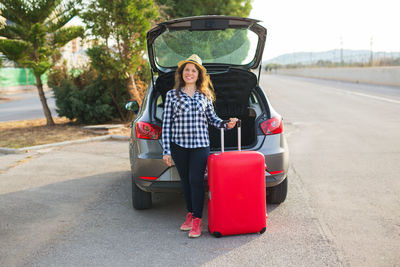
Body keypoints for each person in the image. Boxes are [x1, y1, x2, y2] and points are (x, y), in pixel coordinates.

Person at [162, 54, 238, 238]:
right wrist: (166, 150)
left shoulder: (205, 95)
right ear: (182, 73)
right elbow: (166, 124)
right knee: (186, 182)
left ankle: (197, 220)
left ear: (199, 75)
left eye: (193, 70)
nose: (189, 73)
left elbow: (213, 119)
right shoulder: (172, 95)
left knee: (196, 181)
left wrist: (226, 124)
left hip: (200, 145)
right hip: (179, 145)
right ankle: (190, 213)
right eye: (186, 70)